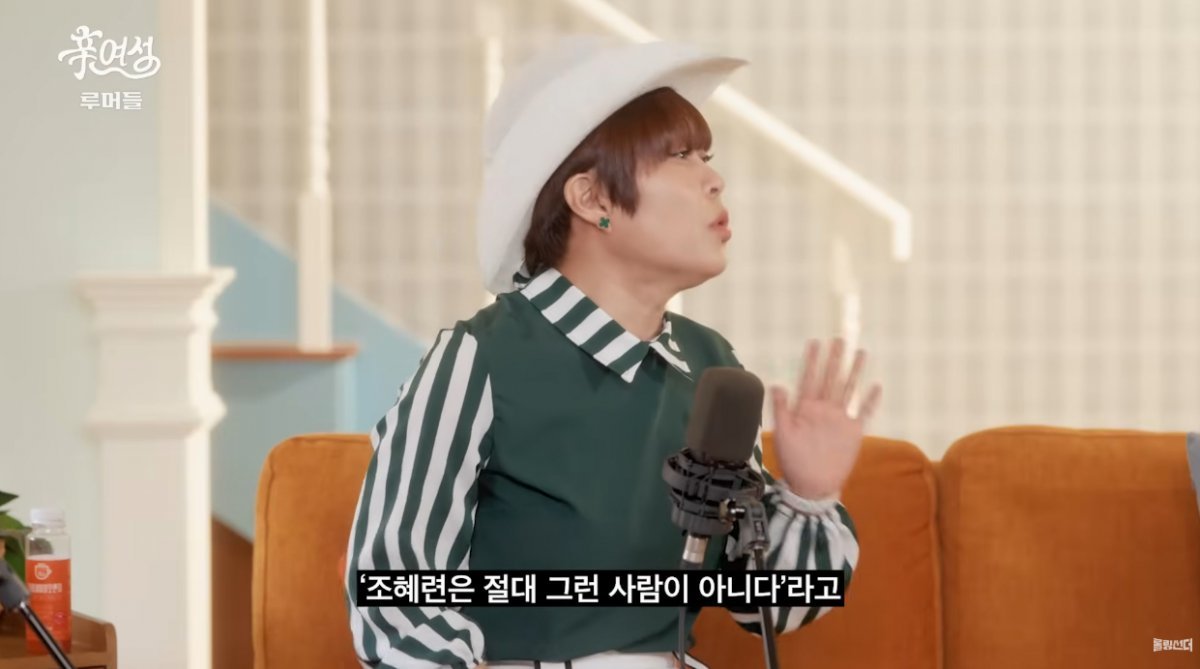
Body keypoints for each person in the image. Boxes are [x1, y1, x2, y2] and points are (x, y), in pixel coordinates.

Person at [344, 37, 883, 669]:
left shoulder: (712, 368)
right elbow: (393, 596)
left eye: (706, 156)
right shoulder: (478, 360)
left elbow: (765, 605)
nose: (714, 179)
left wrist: (811, 493)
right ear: (593, 199)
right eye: (679, 155)